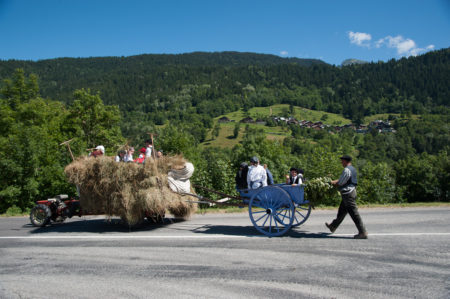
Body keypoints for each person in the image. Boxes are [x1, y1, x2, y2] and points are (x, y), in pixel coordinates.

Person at [326, 155, 368, 239]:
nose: (341, 162)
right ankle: (333, 226)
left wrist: (331, 183)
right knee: (341, 211)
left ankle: (362, 232)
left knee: (354, 213)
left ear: (346, 161)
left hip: (348, 194)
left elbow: (340, 182)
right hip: (350, 192)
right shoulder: (352, 169)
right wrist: (332, 181)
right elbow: (342, 179)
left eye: (342, 161)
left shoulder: (346, 170)